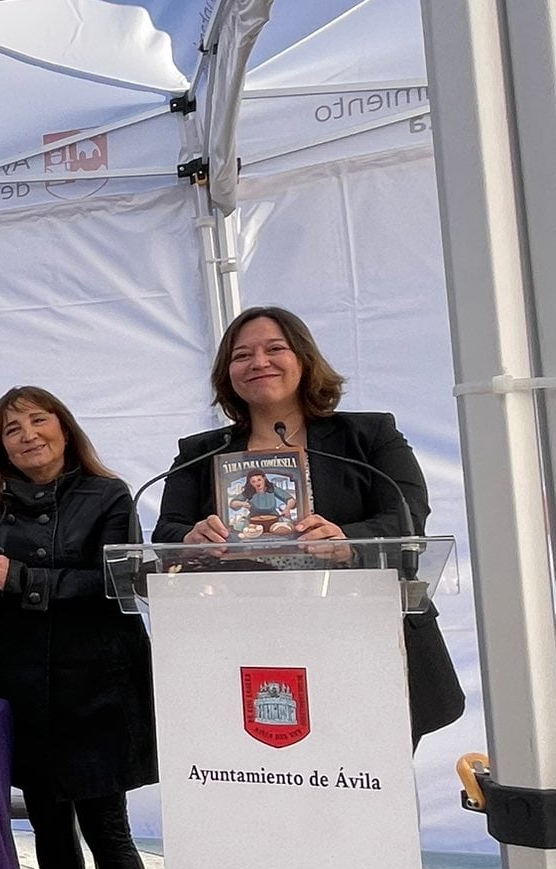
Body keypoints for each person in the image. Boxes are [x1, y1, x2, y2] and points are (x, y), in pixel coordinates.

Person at [154, 305, 466, 743]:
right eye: (241, 355)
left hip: (367, 646)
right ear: (228, 374)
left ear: (303, 358)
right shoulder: (200, 453)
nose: (259, 362)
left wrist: (348, 541)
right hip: (247, 650)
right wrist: (190, 538)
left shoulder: (369, 435)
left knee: (366, 791)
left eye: (274, 348)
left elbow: (408, 515)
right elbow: (165, 533)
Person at [0, 387, 162, 869]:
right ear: (0, 448)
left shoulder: (109, 496)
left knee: (107, 824)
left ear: (65, 428)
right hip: (27, 685)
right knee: (47, 821)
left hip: (101, 682)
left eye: (38, 421)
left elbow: (118, 584)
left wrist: (17, 579)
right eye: (11, 429)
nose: (26, 435)